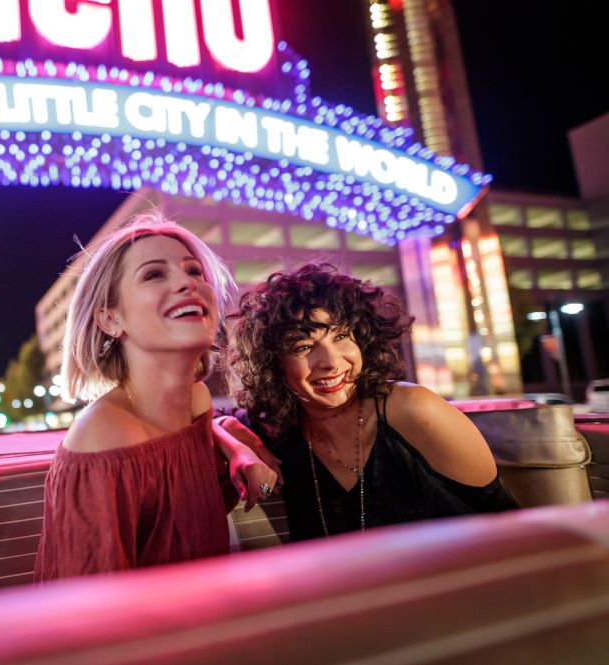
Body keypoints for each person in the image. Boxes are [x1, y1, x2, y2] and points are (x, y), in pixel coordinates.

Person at [34, 213, 279, 581]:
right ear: (109, 319)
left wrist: (234, 446)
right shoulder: (102, 437)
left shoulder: (196, 403)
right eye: (153, 274)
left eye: (194, 271)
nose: (187, 283)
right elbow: (90, 616)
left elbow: (188, 445)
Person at [221, 263, 518, 542]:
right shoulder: (280, 427)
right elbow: (210, 420)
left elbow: (512, 528)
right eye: (305, 346)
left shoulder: (413, 409)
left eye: (341, 336)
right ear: (273, 364)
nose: (331, 362)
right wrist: (241, 446)